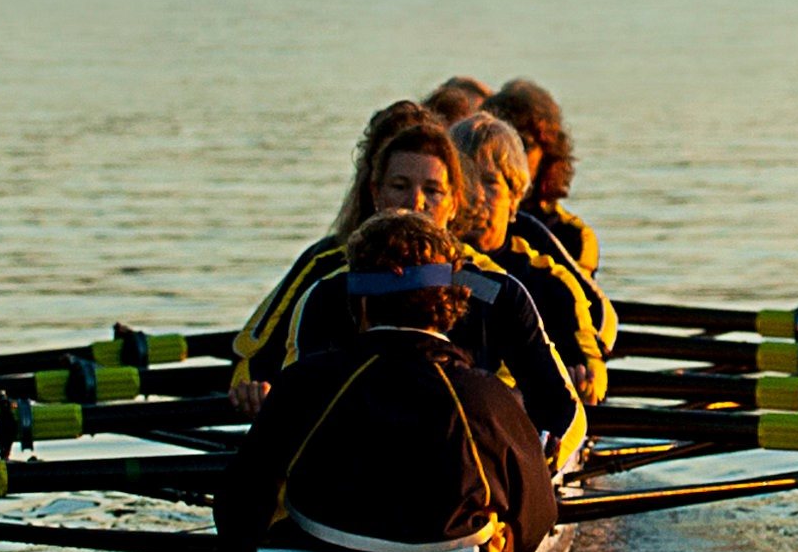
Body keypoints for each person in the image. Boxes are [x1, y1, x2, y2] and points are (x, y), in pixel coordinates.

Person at [220, 213, 557, 552]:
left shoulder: (304, 383)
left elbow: (238, 503)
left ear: (359, 304)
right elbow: (539, 513)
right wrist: (509, 549)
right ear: (452, 306)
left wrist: (244, 548)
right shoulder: (486, 397)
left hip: (324, 547)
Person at [230, 101, 463, 412]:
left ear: (454, 199)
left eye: (431, 188)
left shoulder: (482, 281)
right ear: (374, 188)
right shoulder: (327, 275)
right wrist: (255, 391)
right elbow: (260, 363)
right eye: (399, 183)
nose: (415, 201)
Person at [439, 109, 608, 405]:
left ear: (515, 198)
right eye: (467, 180)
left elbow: (593, 373)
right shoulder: (430, 268)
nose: (477, 196)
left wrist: (585, 380)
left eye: (491, 183)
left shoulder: (551, 282)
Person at [484, 78, 592, 273]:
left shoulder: (572, 235)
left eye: (524, 145)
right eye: (501, 146)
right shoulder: (465, 222)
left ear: (548, 153)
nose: (512, 157)